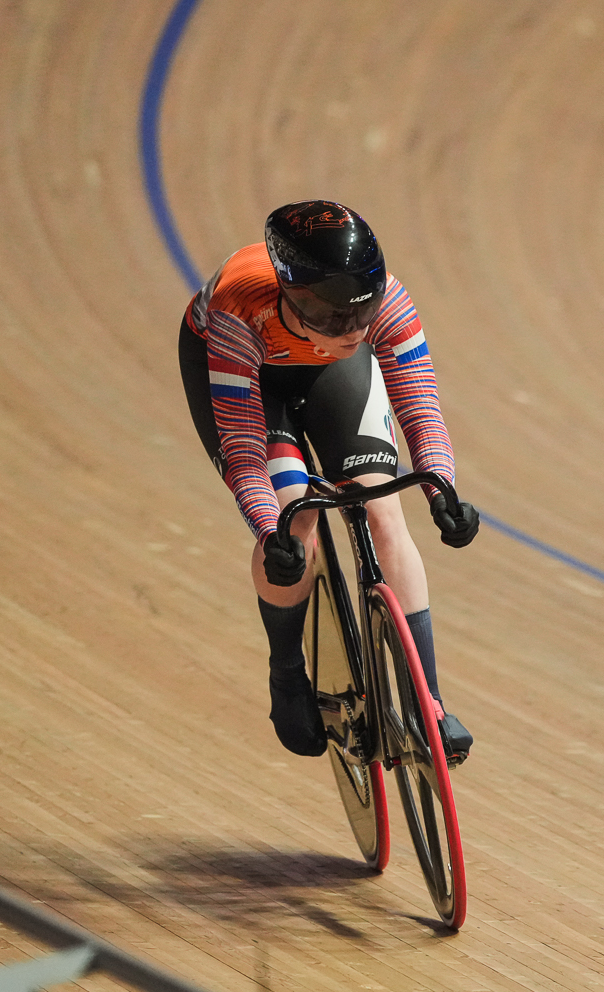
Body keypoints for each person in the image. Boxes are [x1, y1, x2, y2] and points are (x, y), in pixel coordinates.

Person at [178, 200, 480, 762]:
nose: (352, 330)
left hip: (328, 375)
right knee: (299, 515)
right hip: (251, 376)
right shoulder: (237, 309)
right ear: (293, 296)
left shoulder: (383, 301)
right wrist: (273, 533)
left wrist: (441, 488)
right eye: (335, 318)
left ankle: (429, 702)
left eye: (360, 318)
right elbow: (244, 449)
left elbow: (420, 406)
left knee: (381, 508)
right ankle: (287, 670)